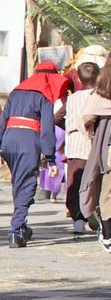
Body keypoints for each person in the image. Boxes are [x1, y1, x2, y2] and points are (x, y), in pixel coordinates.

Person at [0, 61, 66, 249]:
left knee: (19, 183)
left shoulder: (16, 91)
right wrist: (50, 159)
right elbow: (47, 130)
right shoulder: (45, 96)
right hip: (28, 141)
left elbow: (3, 120)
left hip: (9, 139)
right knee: (26, 184)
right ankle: (16, 231)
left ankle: (22, 226)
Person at [65, 62, 102, 234]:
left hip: (76, 144)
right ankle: (96, 214)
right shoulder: (102, 96)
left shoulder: (72, 99)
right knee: (96, 183)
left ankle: (78, 219)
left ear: (78, 78)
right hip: (96, 145)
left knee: (75, 183)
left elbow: (57, 117)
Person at [80, 70, 111, 251]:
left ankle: (108, 234)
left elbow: (86, 117)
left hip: (108, 146)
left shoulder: (100, 94)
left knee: (107, 191)